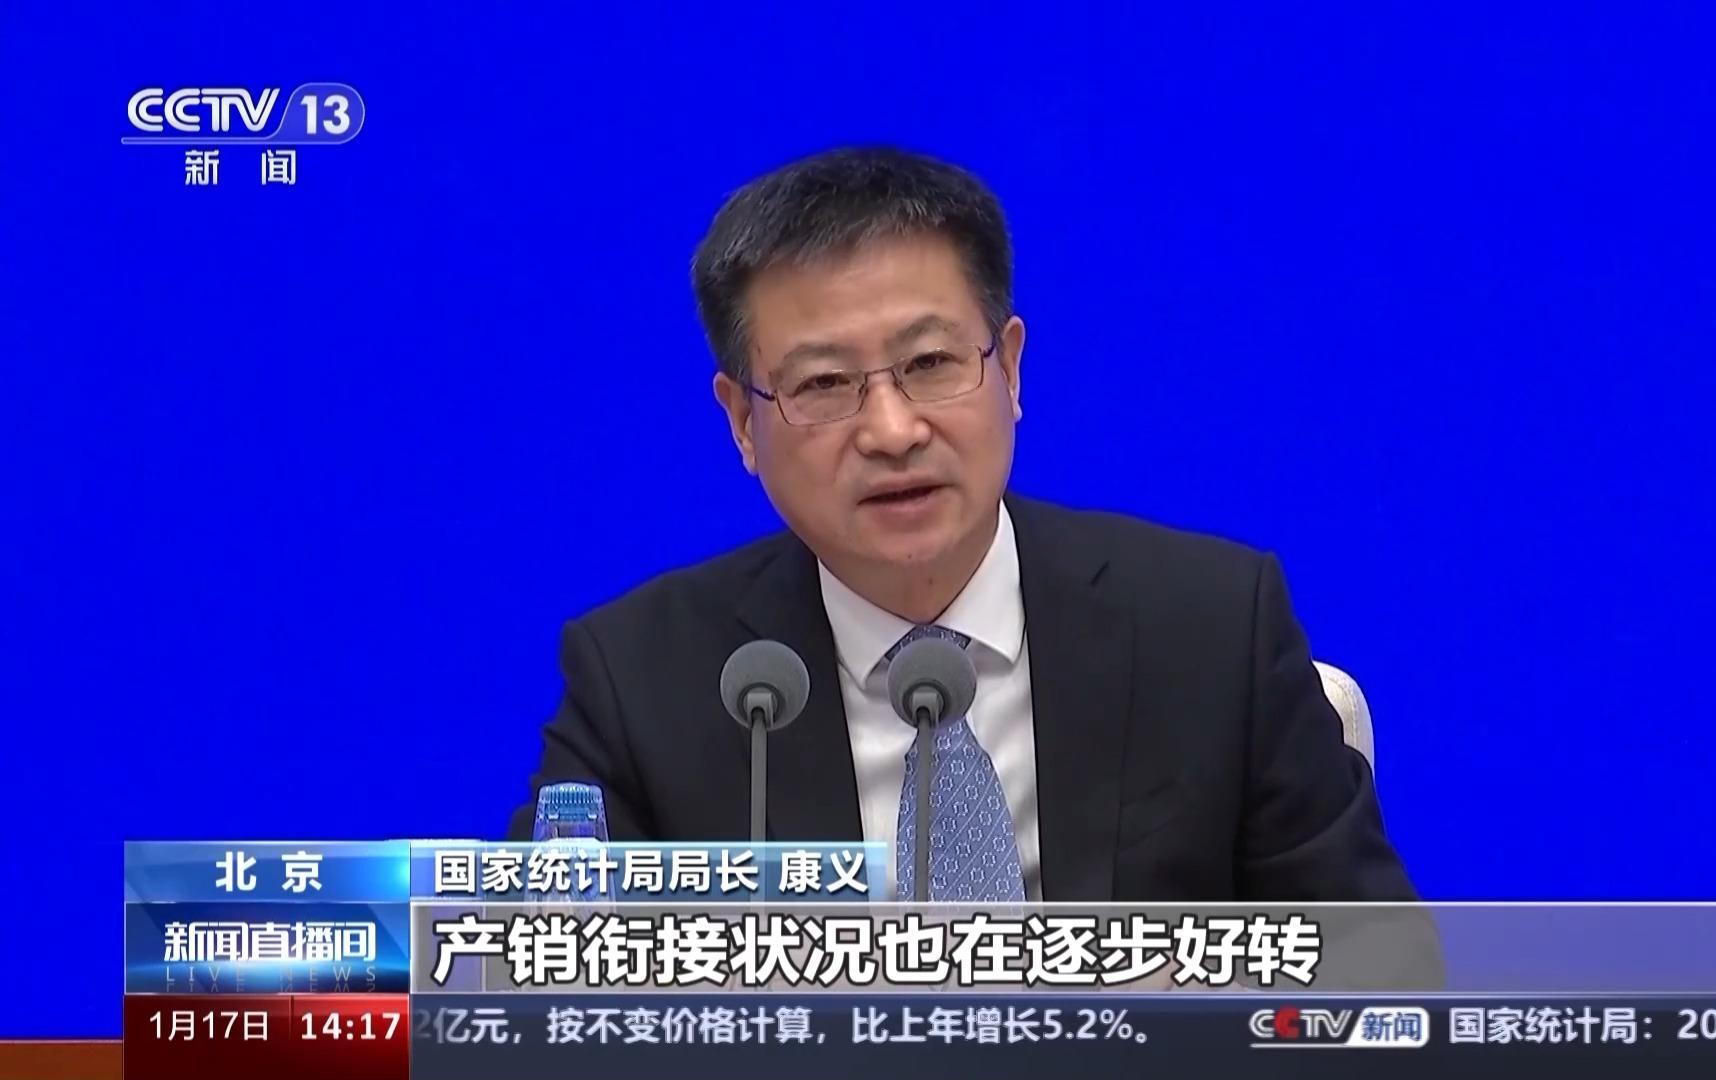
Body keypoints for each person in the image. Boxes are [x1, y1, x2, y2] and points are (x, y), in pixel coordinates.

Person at [508, 146, 1423, 911]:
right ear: (744, 422)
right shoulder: (644, 680)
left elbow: (1379, 979)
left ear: (1010, 370)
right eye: (824, 384)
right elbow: (541, 998)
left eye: (931, 363)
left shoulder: (1213, 627)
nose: (892, 430)